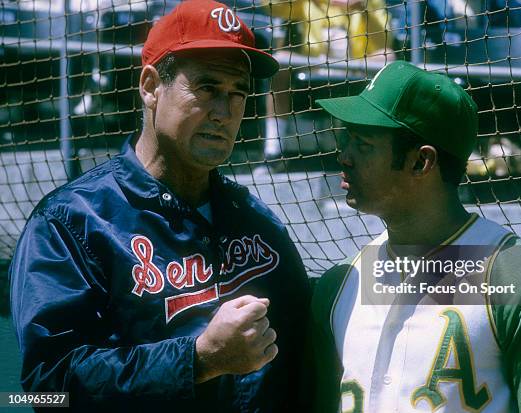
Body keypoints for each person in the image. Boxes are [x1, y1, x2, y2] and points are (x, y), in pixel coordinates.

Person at [9, 1, 311, 411]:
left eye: (237, 93)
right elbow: (51, 386)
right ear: (151, 86)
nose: (224, 112)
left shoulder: (256, 221)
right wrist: (198, 359)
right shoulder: (71, 222)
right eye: (206, 88)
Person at [308, 61, 521, 412]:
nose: (344, 155)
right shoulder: (341, 283)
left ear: (421, 162)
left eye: (363, 143)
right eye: (346, 139)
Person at [261, 0, 395, 162]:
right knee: (280, 61)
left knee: (388, 55)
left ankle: (381, 149)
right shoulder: (308, 3)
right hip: (314, 64)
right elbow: (270, 6)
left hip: (357, 66)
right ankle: (273, 150)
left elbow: (384, 42)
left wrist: (363, 8)